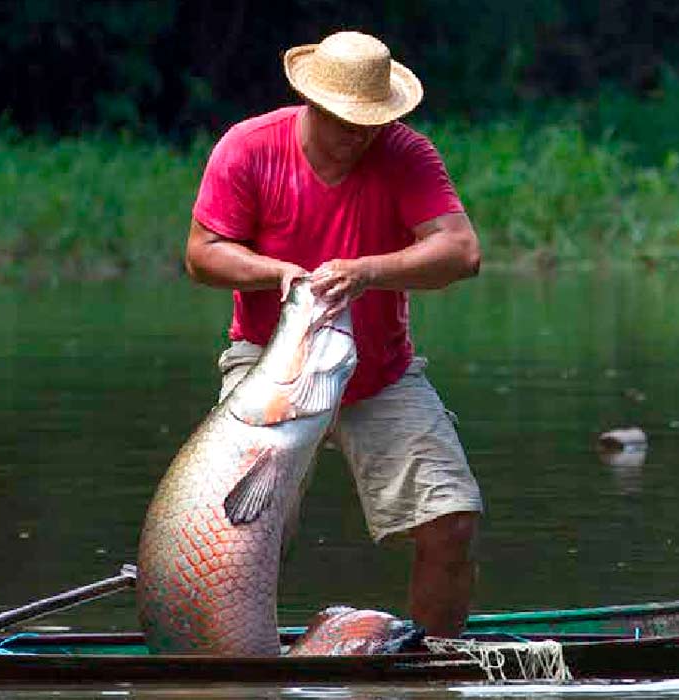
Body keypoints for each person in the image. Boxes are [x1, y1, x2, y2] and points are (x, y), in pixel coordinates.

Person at [183, 30, 483, 638]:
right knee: (234, 534)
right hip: (268, 367)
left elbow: (462, 251)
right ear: (312, 105)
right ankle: (232, 658)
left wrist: (370, 269)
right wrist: (278, 274)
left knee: (451, 521)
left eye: (372, 122)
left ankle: (436, 667)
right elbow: (202, 254)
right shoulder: (248, 147)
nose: (360, 134)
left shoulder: (406, 154)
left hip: (378, 371)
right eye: (347, 121)